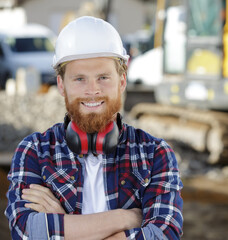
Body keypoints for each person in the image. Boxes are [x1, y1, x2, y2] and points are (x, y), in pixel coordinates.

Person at [5, 16, 183, 240]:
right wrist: (124, 218)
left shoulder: (156, 154)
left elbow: (162, 235)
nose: (93, 90)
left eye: (103, 77)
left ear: (122, 81)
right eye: (79, 78)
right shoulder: (34, 151)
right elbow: (26, 232)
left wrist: (63, 225)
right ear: (61, 85)